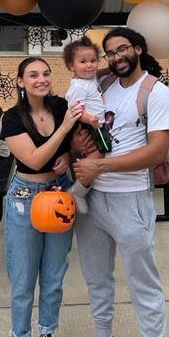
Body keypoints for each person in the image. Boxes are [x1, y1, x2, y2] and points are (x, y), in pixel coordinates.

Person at [68, 28, 169, 337]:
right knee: (96, 278)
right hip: (93, 198)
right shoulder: (102, 85)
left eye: (122, 49)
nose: (116, 57)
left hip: (130, 198)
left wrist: (101, 166)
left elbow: (156, 151)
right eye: (110, 53)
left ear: (138, 49)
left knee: (143, 282)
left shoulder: (156, 93)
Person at [0, 57, 84, 337]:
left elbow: (75, 144)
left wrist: (68, 154)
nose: (41, 79)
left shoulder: (61, 106)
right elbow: (34, 159)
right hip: (26, 197)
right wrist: (63, 130)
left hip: (59, 193)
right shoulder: (12, 118)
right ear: (20, 81)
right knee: (23, 277)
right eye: (33, 75)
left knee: (53, 275)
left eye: (46, 73)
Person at [62, 36, 110, 214]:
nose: (89, 65)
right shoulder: (78, 86)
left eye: (93, 61)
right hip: (89, 124)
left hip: (96, 123)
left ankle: (81, 183)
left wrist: (110, 67)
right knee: (99, 155)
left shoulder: (89, 79)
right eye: (83, 62)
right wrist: (90, 120)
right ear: (71, 66)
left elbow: (100, 72)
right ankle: (78, 190)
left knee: (101, 154)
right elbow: (76, 110)